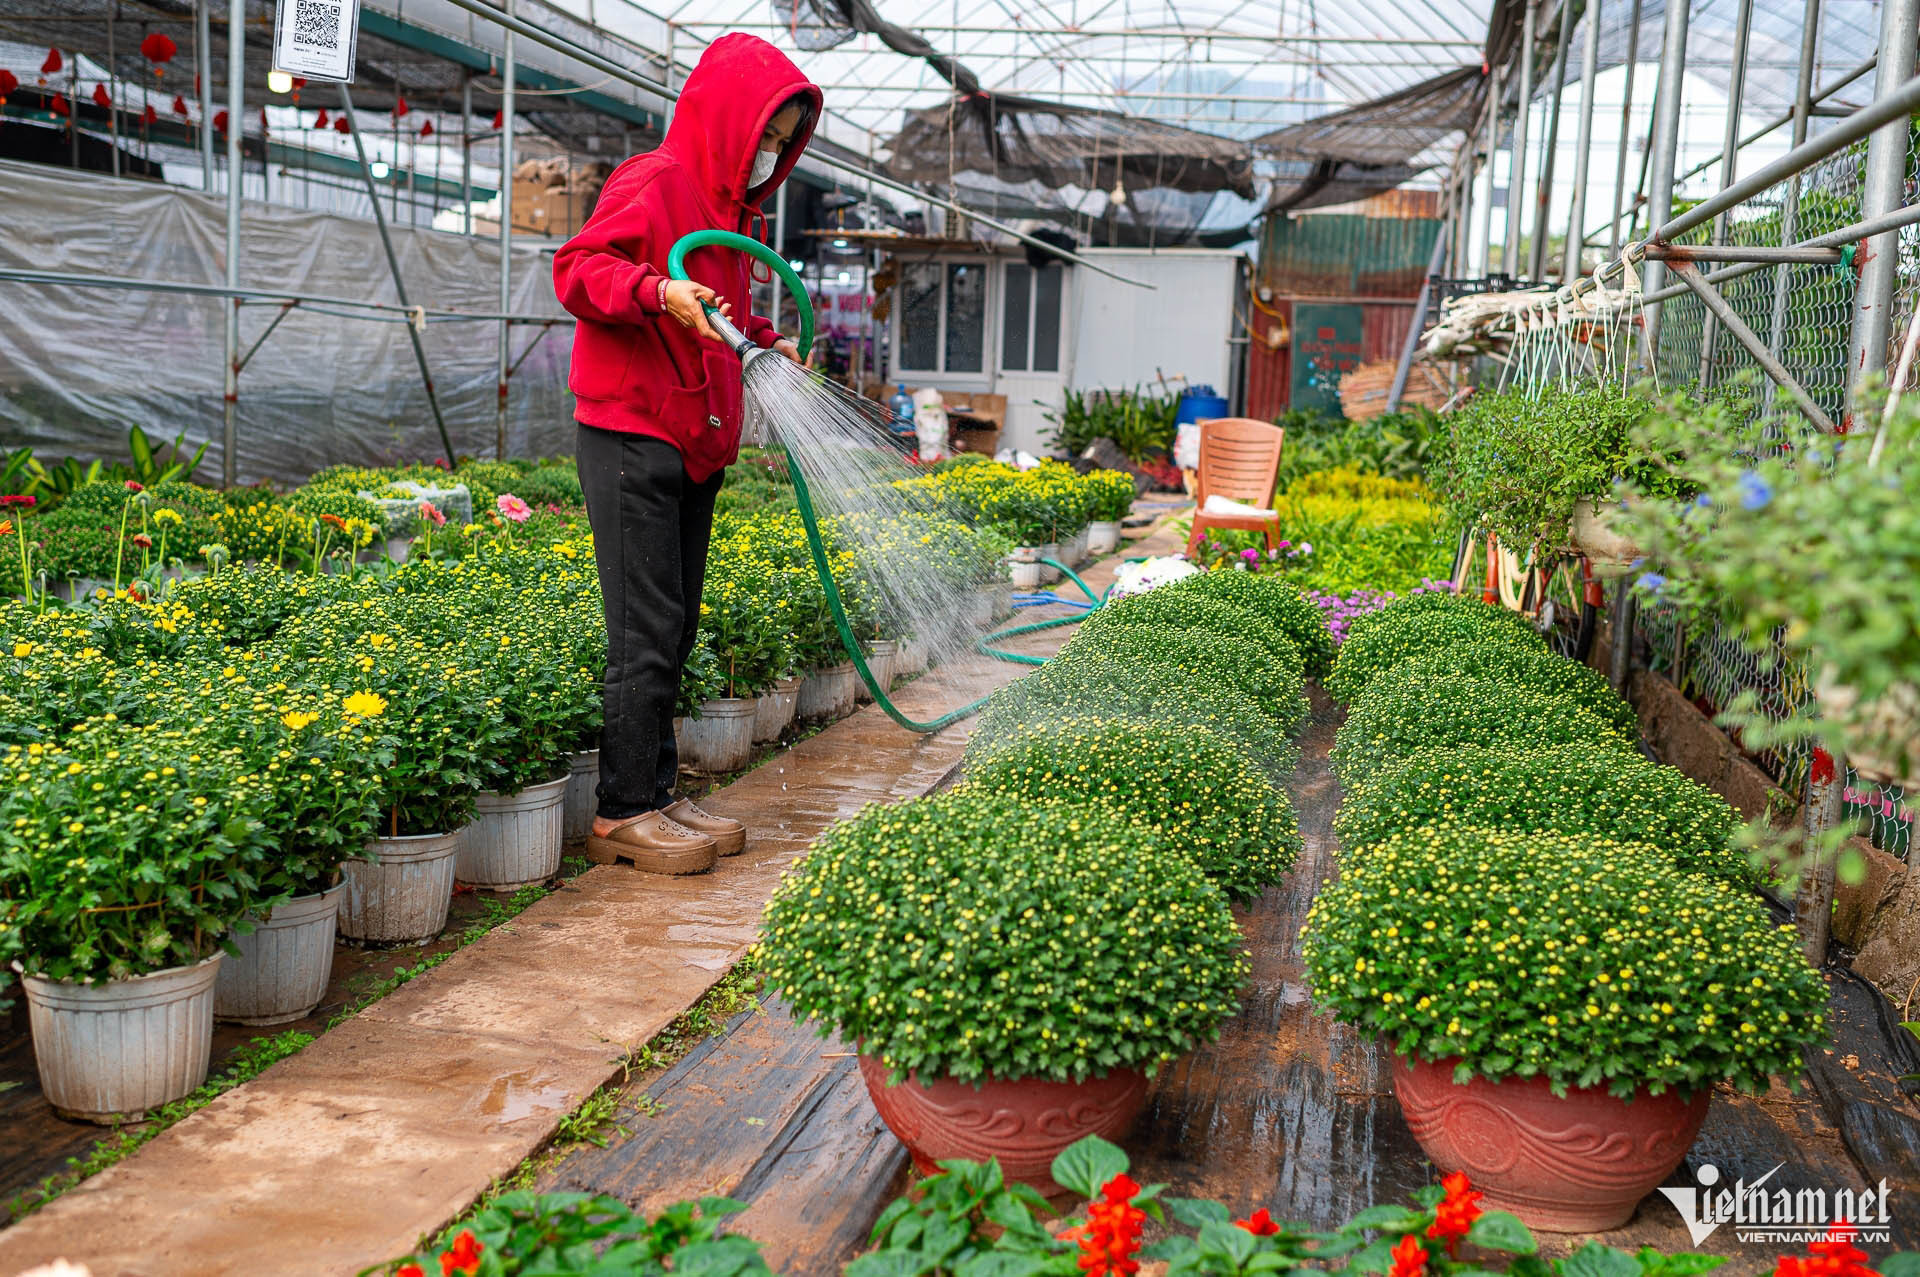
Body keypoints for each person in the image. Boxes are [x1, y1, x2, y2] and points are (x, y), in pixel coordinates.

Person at [553, 35, 821, 875]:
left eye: (782, 142)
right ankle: (622, 811)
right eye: (764, 136)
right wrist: (654, 291)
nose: (769, 155)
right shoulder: (655, 181)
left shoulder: (735, 214)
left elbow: (722, 317)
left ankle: (660, 793)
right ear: (729, 119)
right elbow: (576, 270)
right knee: (643, 626)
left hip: (696, 438)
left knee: (674, 624)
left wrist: (768, 344)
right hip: (633, 428)